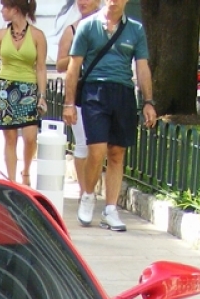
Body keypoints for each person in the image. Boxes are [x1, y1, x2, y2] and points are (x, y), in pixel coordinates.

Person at [61, 0, 155, 232]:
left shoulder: (135, 29)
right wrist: (69, 103)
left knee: (117, 152)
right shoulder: (88, 26)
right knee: (97, 149)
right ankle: (88, 195)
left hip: (123, 92)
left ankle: (111, 209)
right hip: (95, 91)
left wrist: (148, 102)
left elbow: (142, 67)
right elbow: (73, 68)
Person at [0, 0, 47, 185]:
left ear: (15, 9)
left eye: (5, 7)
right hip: (5, 88)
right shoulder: (0, 35)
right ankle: (11, 181)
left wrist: (42, 96)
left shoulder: (37, 36)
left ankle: (25, 171)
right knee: (10, 137)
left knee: (30, 137)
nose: (1, 11)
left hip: (28, 89)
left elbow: (41, 68)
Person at [55, 0, 100, 197]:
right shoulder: (71, 30)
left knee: (98, 146)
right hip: (80, 91)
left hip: (101, 90)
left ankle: (91, 188)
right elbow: (59, 64)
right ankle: (85, 194)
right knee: (82, 144)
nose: (83, 2)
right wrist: (78, 56)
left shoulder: (106, 28)